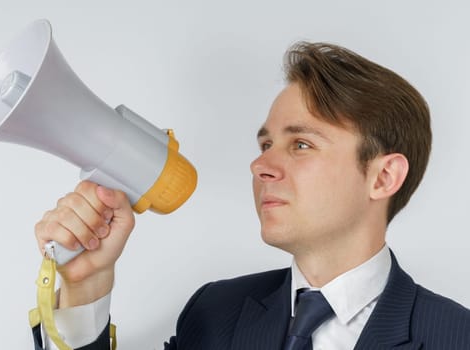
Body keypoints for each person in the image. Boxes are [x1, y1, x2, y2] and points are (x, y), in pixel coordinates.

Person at [31, 42, 470, 349]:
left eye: (301, 145)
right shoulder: (214, 314)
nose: (259, 166)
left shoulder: (456, 336)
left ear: (383, 176)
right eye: (265, 145)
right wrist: (83, 289)